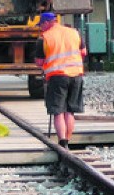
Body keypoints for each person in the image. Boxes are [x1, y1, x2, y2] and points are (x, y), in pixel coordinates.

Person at [34, 11, 85, 148]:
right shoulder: (74, 32)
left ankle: (62, 142)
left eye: (41, 25)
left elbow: (39, 61)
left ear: (46, 23)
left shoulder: (44, 38)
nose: (40, 28)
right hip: (76, 76)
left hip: (57, 77)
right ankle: (68, 140)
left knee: (58, 111)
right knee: (70, 111)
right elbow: (83, 52)